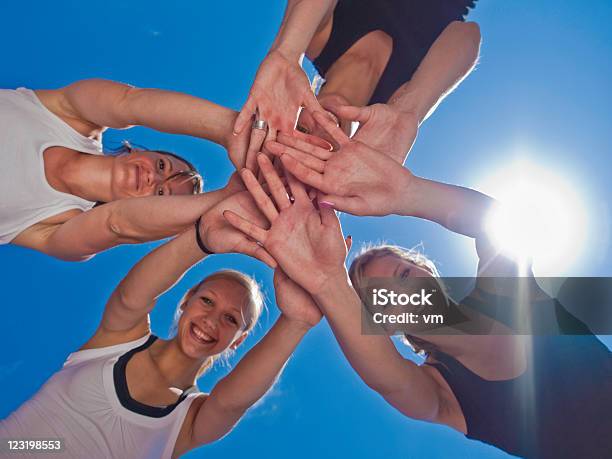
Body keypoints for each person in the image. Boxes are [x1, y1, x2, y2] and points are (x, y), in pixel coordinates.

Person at [223, 121, 612, 458]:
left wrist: (408, 193)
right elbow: (388, 379)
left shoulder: (507, 296)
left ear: (428, 272)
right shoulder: (443, 391)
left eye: (405, 274)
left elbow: (496, 223)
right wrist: (327, 281)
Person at [0, 209, 321, 458]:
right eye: (207, 301)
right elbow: (131, 298)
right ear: (186, 301)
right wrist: (201, 239)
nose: (211, 319)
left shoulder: (188, 421)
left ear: (237, 340)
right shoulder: (121, 339)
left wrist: (295, 321)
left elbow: (231, 403)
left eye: (230, 319)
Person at [0, 78, 273, 261]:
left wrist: (230, 199)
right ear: (142, 151)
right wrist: (231, 131)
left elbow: (117, 223)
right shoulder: (70, 116)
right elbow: (132, 103)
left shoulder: (62, 226)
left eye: (160, 194)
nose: (152, 178)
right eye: (162, 166)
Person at [234, 0, 480, 167]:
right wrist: (410, 112)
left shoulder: (315, 40)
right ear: (347, 148)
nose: (321, 127)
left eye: (303, 131)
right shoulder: (399, 98)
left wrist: (286, 52)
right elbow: (466, 35)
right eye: (325, 146)